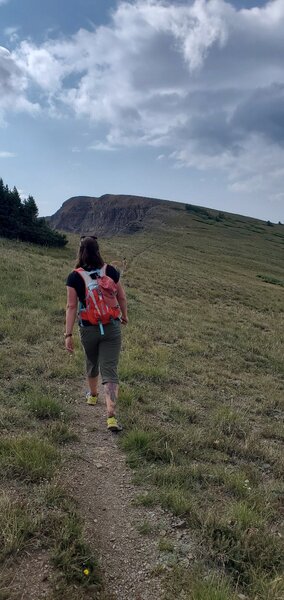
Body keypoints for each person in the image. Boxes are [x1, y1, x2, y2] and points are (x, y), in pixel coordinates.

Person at [64, 235, 128, 432]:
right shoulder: (110, 270)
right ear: (98, 250)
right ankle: (111, 416)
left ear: (80, 251)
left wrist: (68, 334)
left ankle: (92, 396)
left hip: (89, 328)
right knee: (110, 369)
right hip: (111, 326)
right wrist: (124, 316)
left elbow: (71, 306)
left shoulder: (74, 276)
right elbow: (122, 297)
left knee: (92, 362)